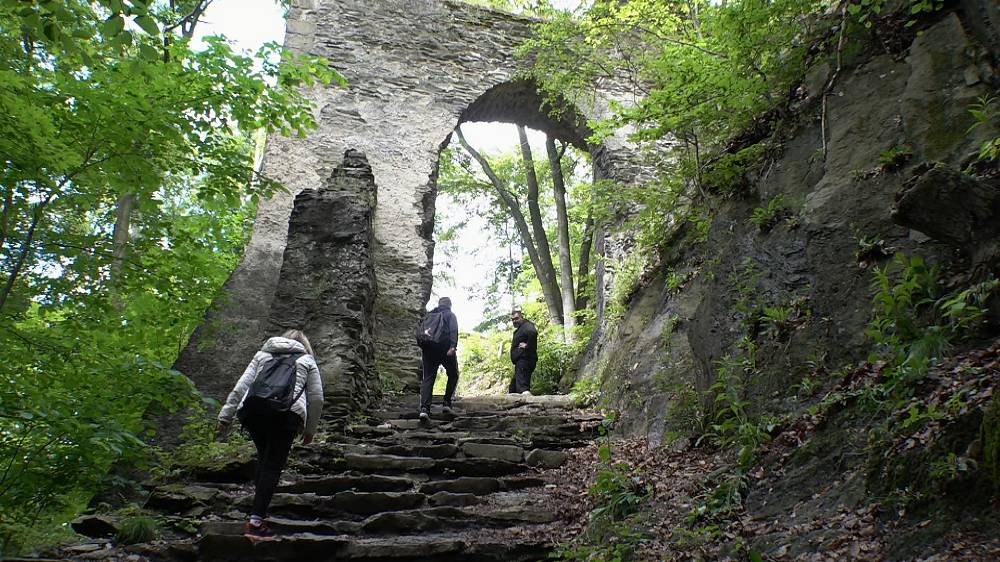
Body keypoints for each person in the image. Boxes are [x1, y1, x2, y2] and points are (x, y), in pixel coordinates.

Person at [216, 329, 323, 540]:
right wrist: (310, 430)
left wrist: (225, 416)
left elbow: (241, 387)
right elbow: (317, 398)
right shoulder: (306, 359)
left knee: (265, 459)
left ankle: (258, 509)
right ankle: (256, 521)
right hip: (287, 415)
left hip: (254, 412)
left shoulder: (262, 355)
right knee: (273, 465)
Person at [418, 296, 459, 420]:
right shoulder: (450, 315)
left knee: (428, 378)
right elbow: (453, 330)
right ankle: (447, 403)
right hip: (445, 349)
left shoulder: (430, 315)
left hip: (429, 349)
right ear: (449, 305)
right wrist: (453, 346)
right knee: (453, 374)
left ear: (439, 304)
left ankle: (425, 409)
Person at [508, 307, 537, 395]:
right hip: (520, 362)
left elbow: (533, 333)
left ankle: (529, 404)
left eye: (516, 318)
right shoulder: (521, 329)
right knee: (513, 388)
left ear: (522, 317)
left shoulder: (527, 325)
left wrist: (528, 346)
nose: (514, 321)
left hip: (525, 360)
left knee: (523, 387)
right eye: (512, 319)